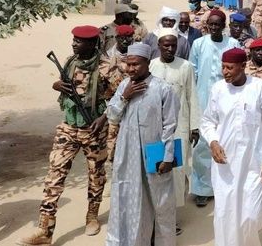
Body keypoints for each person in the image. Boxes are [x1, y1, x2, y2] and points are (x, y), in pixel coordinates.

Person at [20, 26, 114, 245]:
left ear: (92, 44)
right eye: (73, 40)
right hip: (69, 126)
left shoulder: (107, 67)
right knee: (54, 176)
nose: (74, 44)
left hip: (94, 128)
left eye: (79, 41)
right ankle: (45, 230)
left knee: (95, 175)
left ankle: (92, 216)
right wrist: (57, 85)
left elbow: (121, 97)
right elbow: (65, 86)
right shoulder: (70, 61)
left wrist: (104, 118)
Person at [200, 48, 262, 246]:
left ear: (243, 66)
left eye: (230, 67)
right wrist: (213, 141)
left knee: (252, 216)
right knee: (224, 215)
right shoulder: (218, 89)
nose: (225, 72)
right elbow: (207, 121)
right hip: (225, 166)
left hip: (254, 165)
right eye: (223, 67)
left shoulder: (260, 87)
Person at [106, 43, 179, 246]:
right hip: (127, 155)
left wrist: (167, 157)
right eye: (128, 65)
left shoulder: (163, 89)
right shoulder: (124, 86)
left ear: (147, 63)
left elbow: (170, 126)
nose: (131, 69)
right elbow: (112, 116)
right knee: (128, 199)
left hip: (155, 154)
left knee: (161, 202)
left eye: (136, 65)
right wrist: (124, 96)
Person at [188, 9, 241, 207]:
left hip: (229, 100)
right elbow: (193, 72)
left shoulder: (232, 44)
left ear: (223, 25)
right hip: (204, 100)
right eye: (211, 24)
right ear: (207, 25)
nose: (214, 27)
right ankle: (202, 188)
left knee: (228, 141)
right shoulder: (199, 44)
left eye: (218, 24)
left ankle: (226, 186)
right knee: (203, 145)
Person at [149, 29, 193, 225]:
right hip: (154, 128)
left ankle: (171, 217)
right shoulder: (150, 66)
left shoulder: (186, 67)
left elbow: (192, 97)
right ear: (158, 46)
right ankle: (155, 215)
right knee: (155, 168)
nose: (169, 49)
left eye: (173, 45)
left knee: (176, 171)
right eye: (165, 45)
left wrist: (195, 126)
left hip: (179, 128)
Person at [104, 24, 135, 161]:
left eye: (129, 37)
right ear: (117, 37)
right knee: (115, 153)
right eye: (123, 37)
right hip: (115, 106)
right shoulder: (108, 57)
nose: (126, 41)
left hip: (134, 106)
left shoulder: (137, 55)